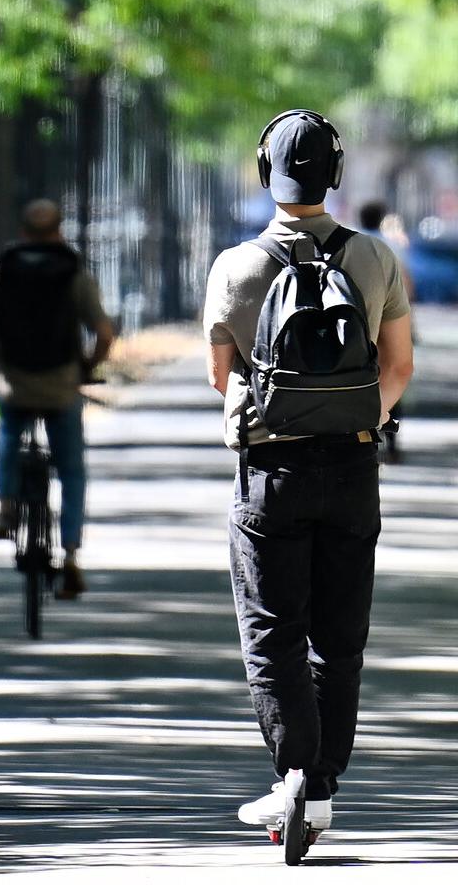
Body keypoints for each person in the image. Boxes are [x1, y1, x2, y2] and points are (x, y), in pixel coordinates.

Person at [203, 110, 413, 835]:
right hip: (353, 466)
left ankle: (292, 771)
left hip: (270, 470)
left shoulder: (235, 265)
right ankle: (319, 789)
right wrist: (362, 422)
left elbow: (219, 373)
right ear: (336, 172)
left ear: (267, 174)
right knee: (340, 637)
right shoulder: (376, 259)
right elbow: (399, 367)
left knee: (274, 633)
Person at [0, 199, 114, 600]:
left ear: (24, 232)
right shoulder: (74, 272)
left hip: (15, 377)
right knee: (72, 469)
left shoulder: (3, 268)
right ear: (60, 231)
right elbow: (104, 332)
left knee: (9, 429)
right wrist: (88, 366)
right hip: (61, 381)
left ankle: (6, 502)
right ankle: (72, 552)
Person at [358, 201, 415, 463]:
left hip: (362, 320)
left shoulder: (353, 243)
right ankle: (391, 439)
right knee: (393, 370)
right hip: (390, 318)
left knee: (364, 374)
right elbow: (405, 283)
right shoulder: (390, 246)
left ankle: (364, 433)